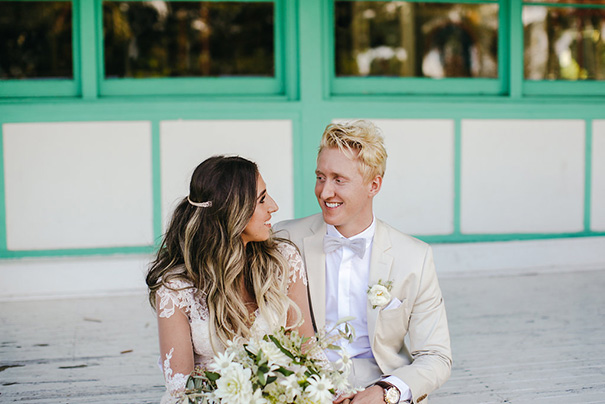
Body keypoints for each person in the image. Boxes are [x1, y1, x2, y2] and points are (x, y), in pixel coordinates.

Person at [274, 120, 452, 404]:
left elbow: (436, 356)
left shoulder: (414, 257)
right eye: (320, 177)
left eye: (339, 180)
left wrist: (385, 392)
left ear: (374, 185)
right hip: (303, 385)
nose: (324, 192)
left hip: (380, 385)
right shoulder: (284, 239)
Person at [146, 155, 314, 404]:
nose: (274, 206)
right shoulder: (176, 288)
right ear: (232, 211)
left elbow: (307, 351)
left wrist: (329, 389)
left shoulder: (283, 260)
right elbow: (181, 390)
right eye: (262, 199)